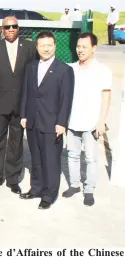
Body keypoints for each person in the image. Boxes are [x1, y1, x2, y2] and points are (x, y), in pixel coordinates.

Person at [19, 31, 75, 209]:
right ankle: (36, 188)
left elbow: (66, 99)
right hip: (33, 120)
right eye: (42, 45)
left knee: (50, 160)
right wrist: (24, 115)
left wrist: (62, 122)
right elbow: (26, 93)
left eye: (49, 45)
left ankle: (49, 195)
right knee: (35, 157)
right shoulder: (31, 66)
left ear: (55, 46)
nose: (46, 48)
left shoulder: (64, 70)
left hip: (52, 123)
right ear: (37, 47)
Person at [0, 16, 37, 194]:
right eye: (7, 27)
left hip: (20, 104)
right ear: (2, 29)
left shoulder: (29, 47)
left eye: (14, 26)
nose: (11, 29)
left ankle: (13, 179)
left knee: (16, 143)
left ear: (18, 28)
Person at [64, 33, 111, 206]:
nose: (80, 50)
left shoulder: (103, 71)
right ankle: (74, 185)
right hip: (72, 121)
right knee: (73, 155)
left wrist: (101, 121)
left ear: (94, 48)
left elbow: (106, 98)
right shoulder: (71, 69)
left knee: (91, 158)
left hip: (92, 123)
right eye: (78, 46)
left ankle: (89, 190)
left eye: (84, 47)